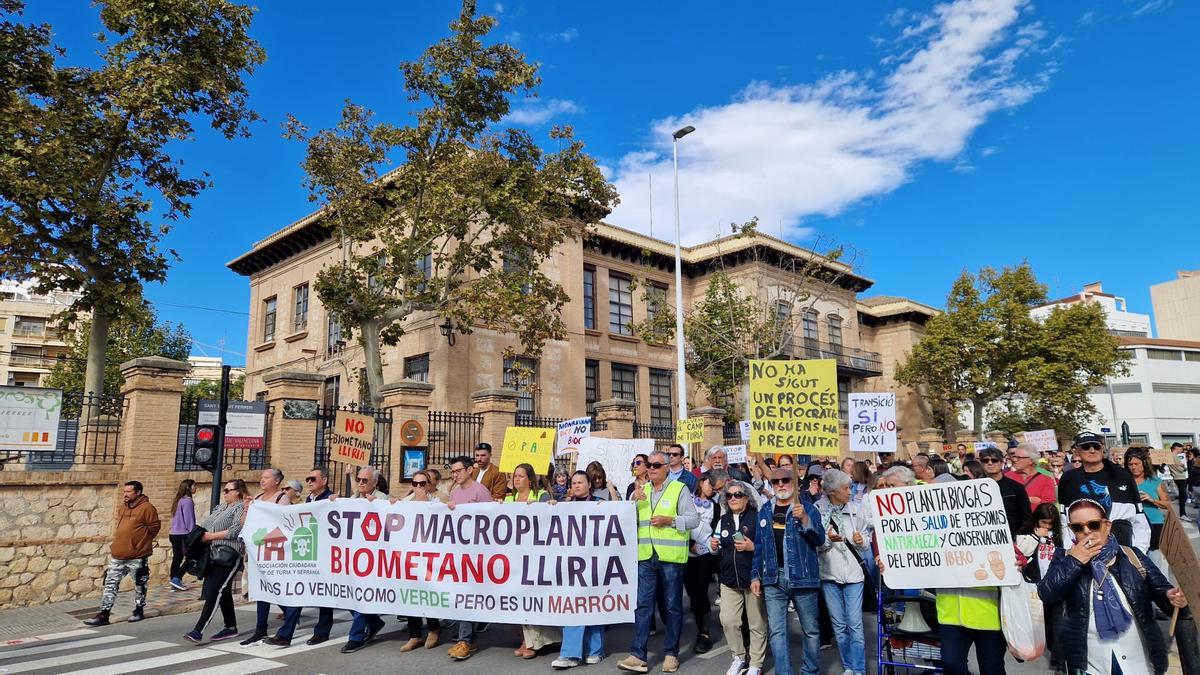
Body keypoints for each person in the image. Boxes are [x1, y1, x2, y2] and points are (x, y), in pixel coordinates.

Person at [1038, 498, 1188, 675]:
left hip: (1139, 662)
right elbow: (1047, 593)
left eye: (1093, 525)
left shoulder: (1131, 555)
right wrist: (1075, 561)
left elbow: (1162, 590)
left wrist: (1172, 596)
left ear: (1107, 526)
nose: (1086, 532)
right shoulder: (1064, 559)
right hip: (1092, 665)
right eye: (1078, 528)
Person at [617, 450, 700, 674]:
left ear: (666, 467)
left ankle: (671, 653)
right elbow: (627, 522)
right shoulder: (640, 491)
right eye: (648, 465)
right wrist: (633, 501)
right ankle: (638, 655)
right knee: (643, 606)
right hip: (646, 555)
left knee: (672, 606)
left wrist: (670, 520)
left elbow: (694, 519)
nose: (651, 468)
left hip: (670, 558)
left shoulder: (678, 489)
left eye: (655, 465)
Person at [749, 467, 825, 675]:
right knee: (777, 632)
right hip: (774, 578)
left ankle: (810, 671)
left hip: (803, 577)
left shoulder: (808, 508)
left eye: (785, 480)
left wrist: (806, 521)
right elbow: (759, 546)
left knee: (810, 630)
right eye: (776, 481)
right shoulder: (765, 510)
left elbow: (820, 539)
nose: (781, 484)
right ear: (771, 485)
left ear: (795, 482)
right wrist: (756, 575)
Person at [265, 467, 337, 647]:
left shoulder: (330, 499)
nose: (309, 482)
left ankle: (322, 631)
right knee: (299, 592)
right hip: (308, 553)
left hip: (325, 555)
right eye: (308, 479)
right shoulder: (309, 499)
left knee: (324, 594)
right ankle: (285, 634)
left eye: (313, 478)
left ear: (324, 480)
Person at [84, 481, 161, 626]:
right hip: (118, 554)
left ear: (138, 492)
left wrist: (140, 542)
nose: (125, 494)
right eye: (124, 491)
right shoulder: (123, 508)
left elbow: (154, 528)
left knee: (139, 584)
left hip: (137, 555)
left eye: (128, 492)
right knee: (110, 583)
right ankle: (104, 614)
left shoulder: (147, 508)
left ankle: (139, 610)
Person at [814, 469, 869, 675]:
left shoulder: (856, 509)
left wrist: (861, 541)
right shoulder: (818, 511)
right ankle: (848, 667)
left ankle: (859, 669)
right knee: (839, 626)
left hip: (854, 576)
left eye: (850, 487)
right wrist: (828, 539)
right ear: (833, 491)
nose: (850, 491)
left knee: (855, 624)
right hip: (829, 575)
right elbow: (816, 544)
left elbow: (865, 541)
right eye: (846, 488)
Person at [552, 471, 609, 669]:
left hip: (595, 561)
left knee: (593, 604)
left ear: (588, 484)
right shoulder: (565, 505)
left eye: (580, 482)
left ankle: (595, 650)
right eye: (573, 482)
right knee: (573, 605)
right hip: (572, 564)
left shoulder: (600, 503)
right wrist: (551, 508)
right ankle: (570, 654)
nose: (576, 485)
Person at [710, 480, 767, 675]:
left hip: (752, 578)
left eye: (738, 495)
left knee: (756, 623)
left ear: (747, 498)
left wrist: (752, 547)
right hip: (728, 579)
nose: (733, 498)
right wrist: (713, 546)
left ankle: (756, 663)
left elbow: (766, 547)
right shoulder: (723, 520)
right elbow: (714, 546)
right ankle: (739, 657)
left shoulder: (757, 518)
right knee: (728, 620)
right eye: (729, 495)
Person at [1058, 432, 1151, 551]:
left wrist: (1140, 550)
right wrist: (1070, 551)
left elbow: (1139, 518)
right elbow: (1063, 521)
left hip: (1121, 549)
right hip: (1084, 550)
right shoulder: (1068, 479)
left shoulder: (1122, 475)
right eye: (1086, 447)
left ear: (1102, 450)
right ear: (1077, 451)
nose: (1092, 450)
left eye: (1096, 447)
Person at [183, 479, 247, 644]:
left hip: (229, 553)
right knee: (222, 590)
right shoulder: (220, 507)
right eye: (224, 490)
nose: (224, 493)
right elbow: (207, 524)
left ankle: (198, 630)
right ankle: (231, 627)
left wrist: (210, 536)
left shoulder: (241, 507)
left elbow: (235, 530)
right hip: (212, 552)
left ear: (238, 492)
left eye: (228, 490)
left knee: (214, 590)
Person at [507, 463, 560, 658]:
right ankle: (526, 638)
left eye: (521, 476)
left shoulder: (541, 496)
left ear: (530, 479)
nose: (517, 479)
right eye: (515, 476)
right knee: (517, 599)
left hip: (535, 555)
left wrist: (551, 506)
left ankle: (531, 643)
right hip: (514, 556)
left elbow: (550, 518)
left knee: (531, 597)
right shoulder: (508, 498)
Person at [446, 455, 496, 660]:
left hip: (477, 552)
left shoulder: (480, 491)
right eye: (453, 471)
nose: (455, 474)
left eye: (458, 470)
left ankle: (465, 640)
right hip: (460, 551)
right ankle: (469, 638)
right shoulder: (455, 491)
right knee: (463, 595)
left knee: (467, 595)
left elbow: (491, 519)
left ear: (469, 470)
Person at [338, 466, 389, 655]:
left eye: (364, 480)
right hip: (354, 556)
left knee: (360, 596)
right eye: (358, 479)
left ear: (374, 483)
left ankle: (356, 637)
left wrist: (376, 505)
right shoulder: (354, 499)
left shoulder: (381, 499)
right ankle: (374, 622)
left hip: (373, 557)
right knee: (348, 597)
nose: (360, 483)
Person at [239, 468, 291, 646]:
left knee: (276, 589)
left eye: (266, 478)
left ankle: (291, 615)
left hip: (274, 550)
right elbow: (243, 523)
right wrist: (247, 508)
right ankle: (260, 628)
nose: (262, 481)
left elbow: (284, 521)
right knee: (262, 590)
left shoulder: (281, 498)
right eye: (261, 478)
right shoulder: (257, 499)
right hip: (258, 550)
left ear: (276, 481)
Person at [1015, 502, 1065, 672]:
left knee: (1056, 622)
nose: (1047, 526)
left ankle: (1057, 657)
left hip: (1055, 584)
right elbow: (1021, 553)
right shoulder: (1026, 533)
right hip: (1034, 586)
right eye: (1043, 522)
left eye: (1050, 523)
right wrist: (1036, 537)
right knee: (1041, 622)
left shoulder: (1059, 535)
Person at [684, 473, 721, 654]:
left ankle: (704, 633)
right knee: (692, 592)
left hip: (706, 554)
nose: (712, 487)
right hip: (687, 553)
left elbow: (715, 529)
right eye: (709, 483)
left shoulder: (715, 506)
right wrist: (689, 545)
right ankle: (699, 618)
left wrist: (711, 544)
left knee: (701, 592)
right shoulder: (687, 500)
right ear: (701, 482)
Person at [976, 446, 1032, 536]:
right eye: (985, 461)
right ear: (981, 464)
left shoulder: (1016, 488)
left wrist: (1017, 538)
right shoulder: (973, 488)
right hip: (983, 539)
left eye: (994, 460)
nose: (990, 463)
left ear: (1002, 463)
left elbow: (1026, 517)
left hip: (1011, 539)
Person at [1125, 448, 1169, 552]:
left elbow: (1168, 505)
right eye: (1130, 464)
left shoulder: (1155, 482)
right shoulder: (1124, 482)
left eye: (1137, 464)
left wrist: (1152, 500)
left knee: (1156, 563)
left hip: (1155, 525)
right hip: (1132, 527)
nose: (1133, 467)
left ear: (1144, 463)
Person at [1005, 443, 1057, 512]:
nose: (1014, 460)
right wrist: (1033, 500)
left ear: (1030, 460)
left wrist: (1026, 499)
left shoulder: (1045, 479)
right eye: (1014, 457)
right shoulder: (1007, 477)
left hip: (1035, 519)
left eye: (1019, 458)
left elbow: (1048, 504)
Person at [168, 478, 197, 591]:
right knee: (191, 556)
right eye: (194, 486)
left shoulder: (178, 500)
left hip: (174, 534)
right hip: (183, 534)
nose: (196, 488)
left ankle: (174, 583)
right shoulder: (188, 500)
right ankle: (177, 578)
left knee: (177, 558)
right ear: (189, 487)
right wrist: (193, 534)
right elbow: (189, 520)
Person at [1166, 443, 1190, 521]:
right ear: (1176, 448)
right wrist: (1184, 467)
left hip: (1178, 477)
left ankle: (1183, 513)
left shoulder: (1172, 456)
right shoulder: (1173, 456)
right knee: (1183, 496)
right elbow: (1179, 468)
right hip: (1179, 477)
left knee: (1183, 495)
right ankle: (1182, 513)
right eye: (1180, 448)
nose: (1182, 450)